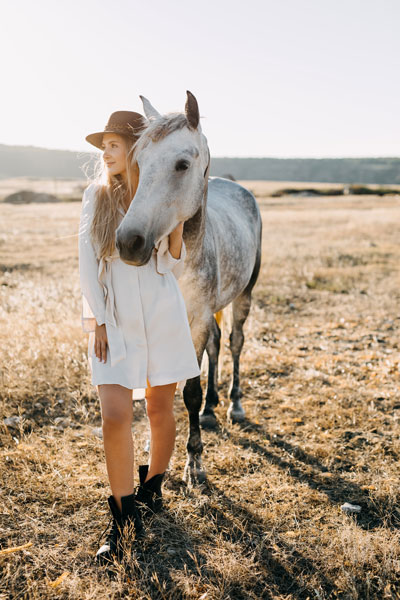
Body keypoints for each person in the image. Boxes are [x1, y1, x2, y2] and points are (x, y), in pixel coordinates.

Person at [78, 110, 201, 565]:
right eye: (103, 145)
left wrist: (175, 232)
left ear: (137, 148)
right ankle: (122, 520)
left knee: (158, 407)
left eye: (114, 144)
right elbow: (87, 267)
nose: (106, 152)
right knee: (114, 416)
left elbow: (171, 265)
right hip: (115, 319)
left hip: (161, 312)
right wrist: (100, 323)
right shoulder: (96, 196)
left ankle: (152, 487)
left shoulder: (158, 193)